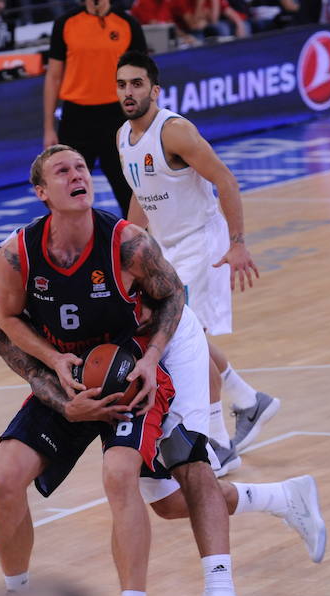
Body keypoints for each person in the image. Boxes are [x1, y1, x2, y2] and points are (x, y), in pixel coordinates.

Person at [0, 214, 327, 595]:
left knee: (179, 478)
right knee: (16, 481)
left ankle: (234, 563)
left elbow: (164, 300)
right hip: (86, 375)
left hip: (145, 351)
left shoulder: (41, 253)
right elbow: (34, 374)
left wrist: (156, 362)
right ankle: (17, 590)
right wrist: (70, 407)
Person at [115, 51, 279, 466]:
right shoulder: (123, 137)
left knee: (185, 341)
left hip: (200, 243)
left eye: (137, 84)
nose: (128, 92)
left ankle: (218, 443)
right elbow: (140, 191)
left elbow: (224, 179)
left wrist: (238, 243)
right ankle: (247, 400)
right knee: (190, 338)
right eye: (122, 85)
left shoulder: (174, 131)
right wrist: (126, 251)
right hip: (166, 248)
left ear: (155, 89)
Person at [43, 0, 147, 217]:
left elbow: (143, 76)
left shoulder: (127, 23)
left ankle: (137, 245)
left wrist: (146, 121)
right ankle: (73, 247)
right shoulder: (65, 23)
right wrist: (48, 128)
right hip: (76, 118)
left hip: (117, 117)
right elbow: (53, 77)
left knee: (128, 190)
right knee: (67, 191)